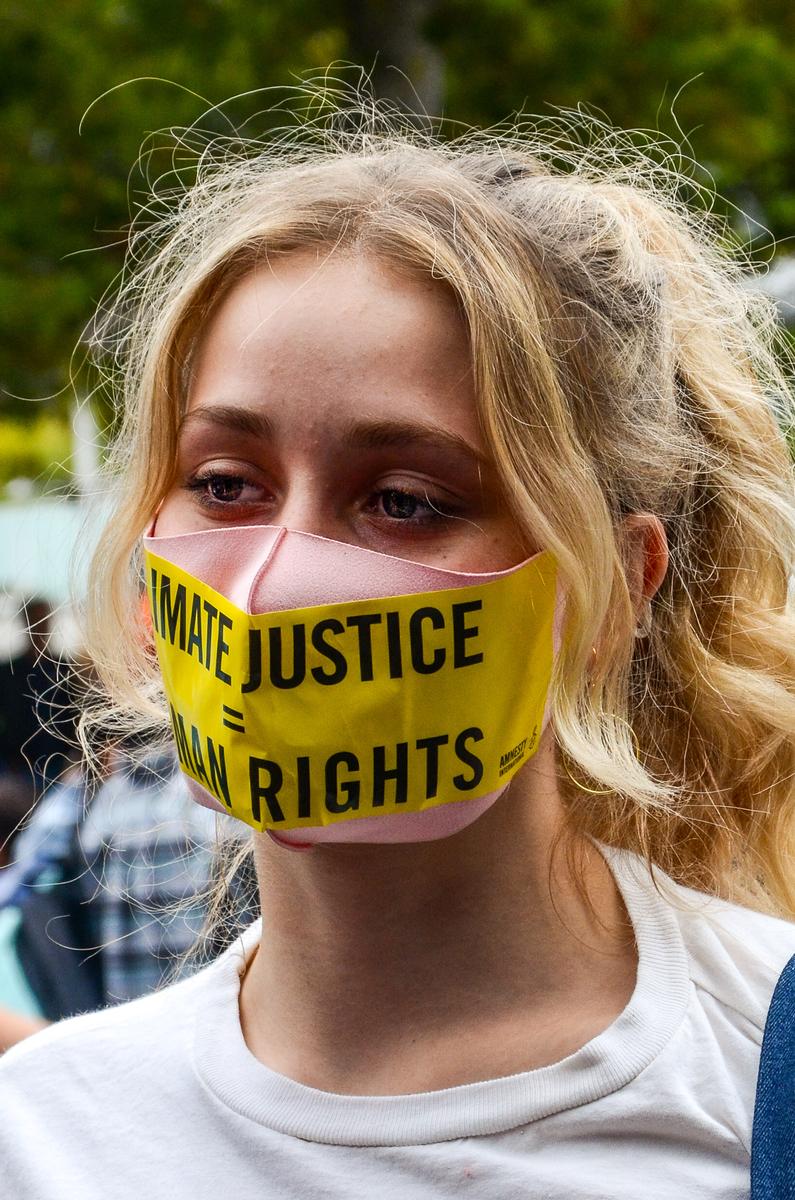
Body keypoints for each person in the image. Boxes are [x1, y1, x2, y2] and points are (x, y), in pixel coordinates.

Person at [0, 102, 794, 1199]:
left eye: (405, 501)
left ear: (621, 587)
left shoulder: (760, 1075)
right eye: (225, 484)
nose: (276, 583)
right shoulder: (45, 1137)